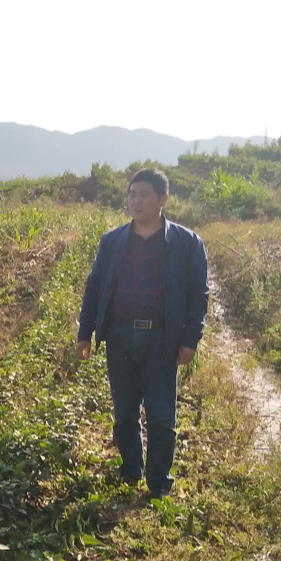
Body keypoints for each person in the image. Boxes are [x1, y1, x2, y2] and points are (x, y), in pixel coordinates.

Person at [77, 168, 209, 499]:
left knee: (162, 412)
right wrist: (85, 332)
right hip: (120, 336)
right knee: (124, 410)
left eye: (144, 194)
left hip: (162, 339)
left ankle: (158, 480)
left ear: (163, 199)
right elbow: (94, 288)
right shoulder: (112, 241)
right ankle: (131, 469)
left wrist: (190, 339)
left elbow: (198, 295)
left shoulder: (186, 243)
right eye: (132, 194)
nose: (136, 201)